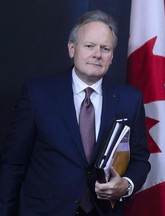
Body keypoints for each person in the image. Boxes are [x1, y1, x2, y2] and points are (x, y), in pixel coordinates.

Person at [0, 10, 150, 216]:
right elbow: (14, 162)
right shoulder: (37, 94)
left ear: (112, 56)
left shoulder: (129, 99)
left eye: (105, 48)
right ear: (72, 49)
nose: (97, 54)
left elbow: (140, 158)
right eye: (89, 46)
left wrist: (126, 185)